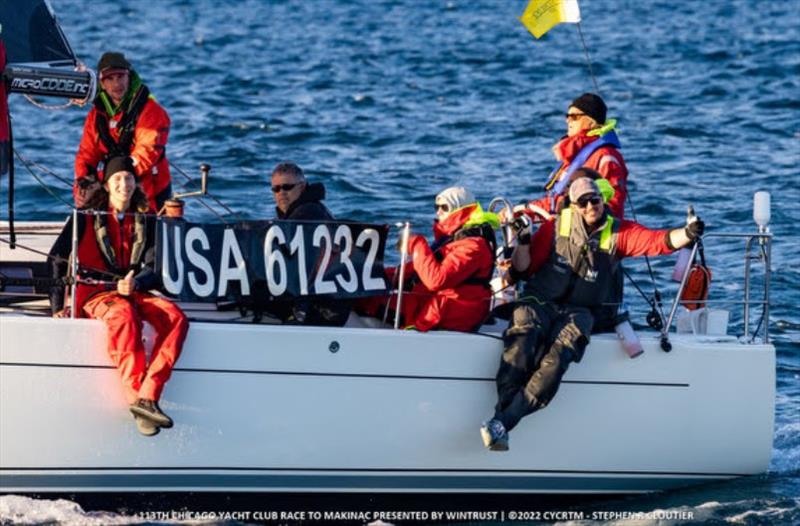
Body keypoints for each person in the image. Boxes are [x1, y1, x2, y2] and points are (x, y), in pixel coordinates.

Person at [480, 177, 704, 451]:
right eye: (582, 202)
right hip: (539, 300)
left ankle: (502, 421)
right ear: (573, 206)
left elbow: (657, 241)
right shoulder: (554, 227)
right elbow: (523, 270)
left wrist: (688, 233)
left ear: (602, 200)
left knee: (558, 359)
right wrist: (524, 242)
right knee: (521, 345)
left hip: (581, 311)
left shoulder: (618, 233)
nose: (590, 207)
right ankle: (502, 422)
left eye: (594, 200)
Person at [50, 156, 188, 437]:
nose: (123, 184)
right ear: (107, 185)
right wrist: (56, 307)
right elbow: (55, 259)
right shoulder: (85, 218)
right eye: (117, 179)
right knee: (123, 318)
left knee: (176, 318)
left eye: (128, 178)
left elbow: (155, 267)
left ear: (136, 183)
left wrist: (136, 282)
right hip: (96, 294)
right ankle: (136, 397)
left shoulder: (147, 220)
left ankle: (148, 396)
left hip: (134, 291)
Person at [74, 52, 172, 212]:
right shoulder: (96, 116)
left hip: (150, 187)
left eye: (120, 77)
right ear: (102, 83)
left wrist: (113, 179)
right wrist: (84, 183)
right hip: (111, 185)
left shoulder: (151, 111)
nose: (116, 84)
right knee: (85, 197)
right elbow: (86, 154)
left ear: (129, 77)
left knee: (145, 223)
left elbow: (147, 152)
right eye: (109, 79)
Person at [394, 186, 499, 332]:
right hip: (433, 309)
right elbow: (417, 269)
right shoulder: (450, 241)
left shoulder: (474, 246)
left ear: (460, 209)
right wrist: (376, 274)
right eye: (436, 207)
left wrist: (417, 243)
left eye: (444, 207)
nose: (438, 212)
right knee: (366, 300)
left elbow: (436, 280)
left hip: (451, 317)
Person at [517, 93, 628, 221]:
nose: (568, 120)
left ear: (592, 122)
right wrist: (520, 213)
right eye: (567, 116)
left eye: (574, 117)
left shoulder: (606, 157)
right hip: (561, 229)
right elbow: (553, 202)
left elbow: (613, 205)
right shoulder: (573, 157)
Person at [263, 161, 349, 325]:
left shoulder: (308, 211)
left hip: (323, 306)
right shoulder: (294, 214)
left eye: (287, 187)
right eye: (276, 189)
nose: (281, 193)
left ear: (302, 187)